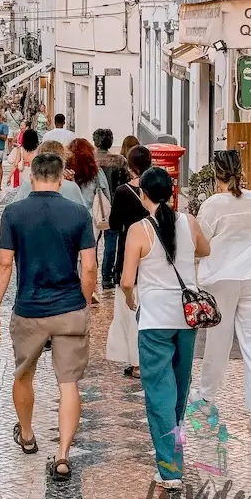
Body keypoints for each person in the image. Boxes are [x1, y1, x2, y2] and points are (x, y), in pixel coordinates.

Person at [0, 152, 97, 482]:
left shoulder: (14, 213)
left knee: (23, 375)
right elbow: (90, 267)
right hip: (68, 309)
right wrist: (83, 303)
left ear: (31, 177)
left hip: (29, 310)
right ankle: (63, 454)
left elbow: (4, 264)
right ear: (62, 178)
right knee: (69, 384)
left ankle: (26, 434)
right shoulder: (78, 213)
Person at [121, 167, 209, 489]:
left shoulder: (138, 230)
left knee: (159, 390)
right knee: (179, 389)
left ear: (144, 195)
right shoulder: (190, 222)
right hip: (186, 319)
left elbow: (127, 281)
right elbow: (205, 250)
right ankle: (173, 450)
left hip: (155, 320)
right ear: (172, 193)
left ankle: (170, 469)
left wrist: (131, 299)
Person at [191, 150, 251, 435]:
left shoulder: (212, 205)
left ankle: (207, 397)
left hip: (220, 281)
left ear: (216, 174)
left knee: (218, 342)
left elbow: (201, 241)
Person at [106, 145, 152, 379]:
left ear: (131, 165)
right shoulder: (155, 186)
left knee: (128, 310)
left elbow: (114, 224)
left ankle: (136, 363)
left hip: (129, 251)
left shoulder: (123, 192)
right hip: (153, 252)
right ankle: (149, 359)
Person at [93, 129, 130, 290]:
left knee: (91, 242)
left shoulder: (90, 160)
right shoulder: (119, 161)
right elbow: (126, 182)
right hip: (115, 205)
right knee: (111, 242)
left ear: (95, 142)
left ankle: (91, 275)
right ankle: (107, 277)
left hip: (94, 205)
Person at [15, 140, 87, 207]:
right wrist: (72, 183)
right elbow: (83, 213)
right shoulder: (71, 187)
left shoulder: (28, 183)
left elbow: (15, 209)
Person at [66, 138, 110, 212]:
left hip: (72, 215)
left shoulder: (67, 174)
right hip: (94, 217)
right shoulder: (96, 173)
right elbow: (106, 196)